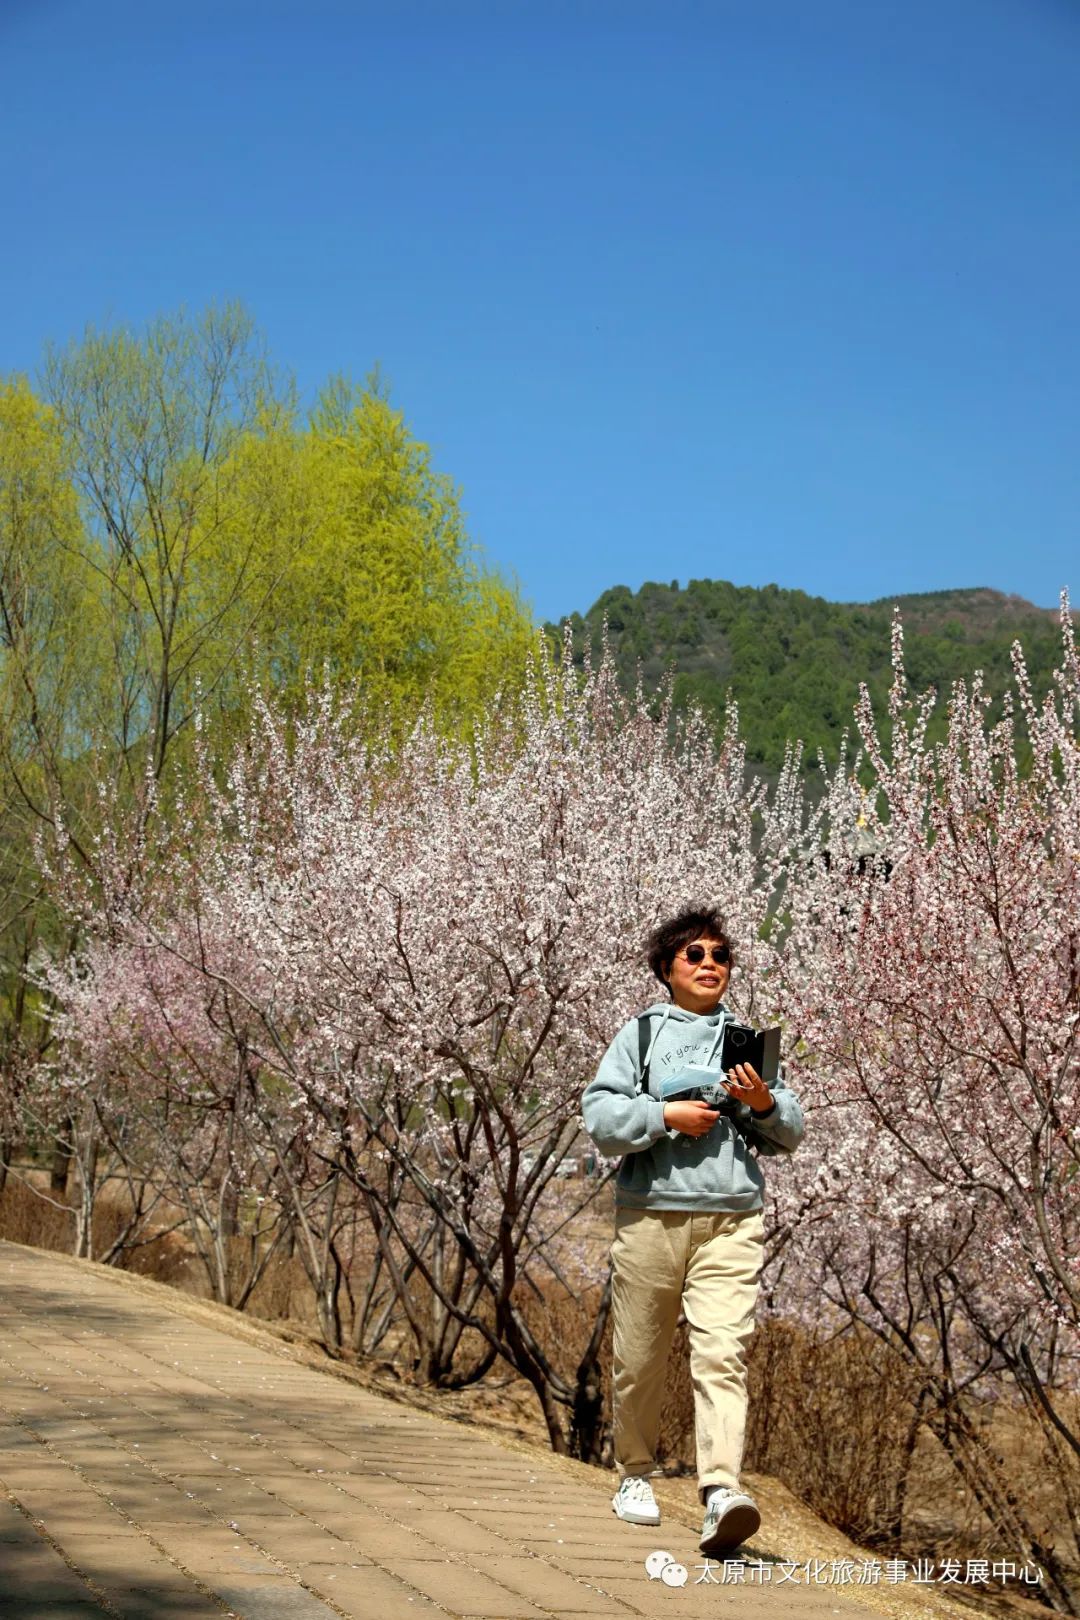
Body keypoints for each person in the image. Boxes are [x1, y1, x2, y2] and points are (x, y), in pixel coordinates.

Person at [581, 904, 803, 1557]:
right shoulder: (642, 1035)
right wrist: (664, 1113)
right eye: (694, 955)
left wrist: (763, 1103)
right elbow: (602, 1116)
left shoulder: (745, 1040)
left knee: (722, 1353)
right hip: (652, 1209)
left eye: (720, 955)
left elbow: (787, 1130)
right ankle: (635, 1475)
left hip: (732, 1215)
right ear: (666, 969)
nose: (710, 964)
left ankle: (721, 1493)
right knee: (642, 1356)